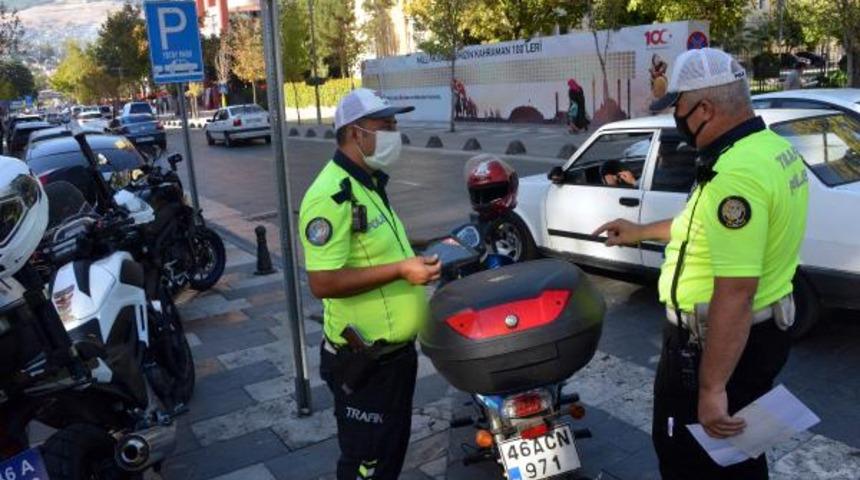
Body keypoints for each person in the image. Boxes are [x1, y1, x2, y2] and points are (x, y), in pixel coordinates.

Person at [594, 48, 809, 480]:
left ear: (705, 108)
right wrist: (640, 231)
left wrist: (712, 389)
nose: (677, 118)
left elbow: (736, 291)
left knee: (689, 461)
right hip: (758, 338)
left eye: (678, 108)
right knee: (741, 454)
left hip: (713, 346)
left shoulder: (736, 176)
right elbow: (707, 229)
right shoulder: (768, 149)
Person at [298, 88, 441, 480]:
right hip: (364, 363)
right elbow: (322, 282)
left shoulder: (369, 182)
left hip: (394, 358)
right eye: (386, 125)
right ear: (356, 133)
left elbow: (378, 252)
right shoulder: (330, 195)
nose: (395, 132)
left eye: (395, 124)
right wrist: (400, 271)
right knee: (366, 464)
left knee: (389, 456)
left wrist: (417, 259)